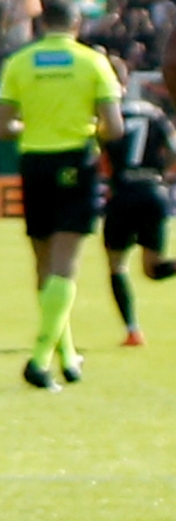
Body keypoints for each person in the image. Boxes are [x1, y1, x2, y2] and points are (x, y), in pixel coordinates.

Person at [0, 0, 124, 386]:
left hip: (34, 163)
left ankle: (66, 356)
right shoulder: (92, 62)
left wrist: (32, 126)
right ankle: (38, 360)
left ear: (41, 23)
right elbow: (113, 128)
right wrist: (83, 128)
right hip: (75, 161)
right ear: (77, 23)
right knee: (65, 265)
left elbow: (4, 128)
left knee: (43, 264)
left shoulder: (19, 62)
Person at [101, 46, 172, 346]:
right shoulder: (154, 113)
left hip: (123, 194)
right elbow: (172, 151)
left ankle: (132, 330)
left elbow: (101, 158)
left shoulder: (106, 117)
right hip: (154, 192)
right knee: (153, 269)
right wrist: (161, 174)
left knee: (117, 265)